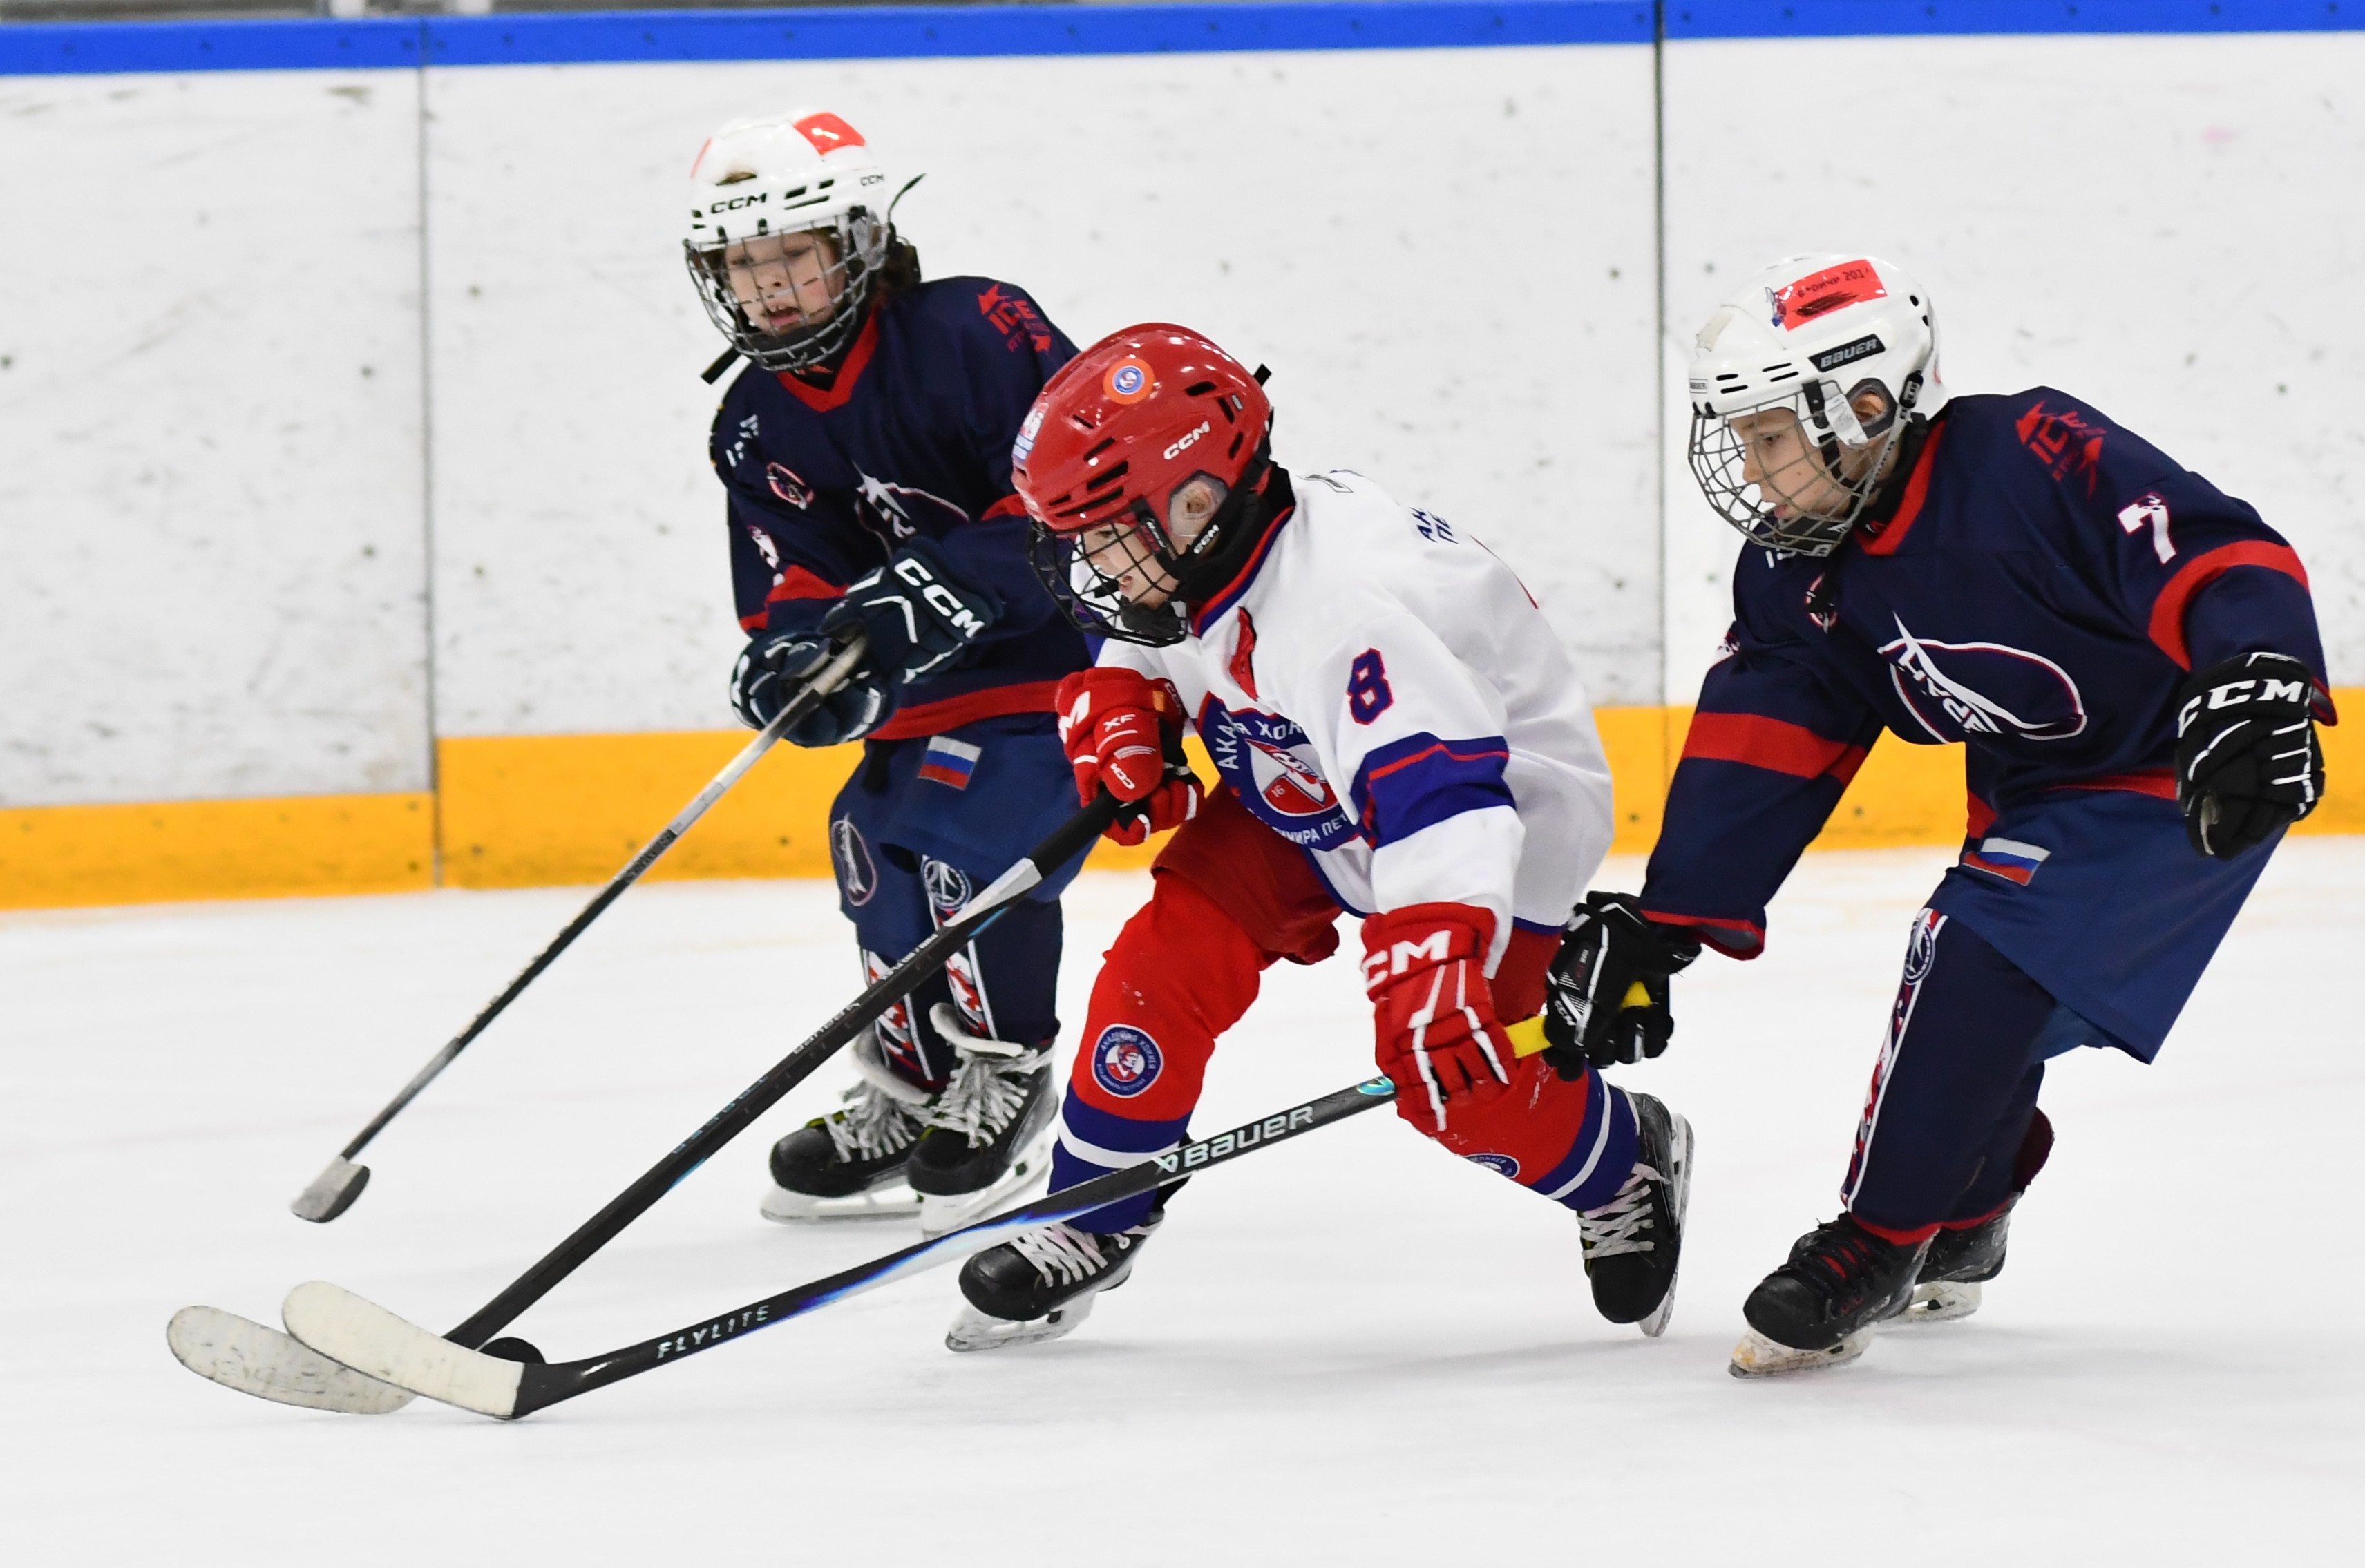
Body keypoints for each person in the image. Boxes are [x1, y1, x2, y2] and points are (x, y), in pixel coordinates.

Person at [1561, 254, 2333, 1376]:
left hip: (2185, 766)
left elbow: (2212, 548)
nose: (1748, 464)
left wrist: (2255, 671)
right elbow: (1768, 736)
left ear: (1865, 408)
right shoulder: (1797, 567)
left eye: (1769, 434)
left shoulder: (2025, 456)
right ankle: (1969, 1203)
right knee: (1986, 987)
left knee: (1973, 952)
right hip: (2033, 783)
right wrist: (1672, 916)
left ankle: (1873, 1243)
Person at [941, 323, 1696, 1351]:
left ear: (1197, 501)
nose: (1094, 567)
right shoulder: (1204, 552)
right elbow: (1157, 623)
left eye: (1108, 535)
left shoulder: (1344, 609)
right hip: (1300, 787)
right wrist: (1125, 690)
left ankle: (1626, 1158)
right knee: (1160, 970)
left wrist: (1437, 948)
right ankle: (1092, 1209)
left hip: (1490, 831)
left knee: (1453, 1086)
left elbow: (1443, 802)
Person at [687, 108, 1091, 1234]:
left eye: (790, 256)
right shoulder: (752, 422)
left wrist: (960, 572)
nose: (767, 287)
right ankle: (913, 1092)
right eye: (743, 263)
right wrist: (791, 656)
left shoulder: (976, 327)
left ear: (856, 241)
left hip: (1059, 663)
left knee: (973, 847)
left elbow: (1077, 501)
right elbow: (796, 580)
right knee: (870, 851)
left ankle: (1005, 1074)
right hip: (925, 687)